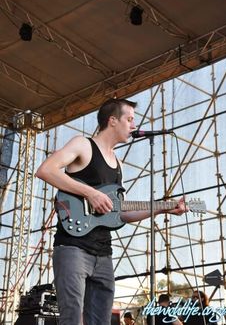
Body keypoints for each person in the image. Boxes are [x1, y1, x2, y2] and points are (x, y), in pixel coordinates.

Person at [36, 98, 187, 325]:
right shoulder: (83, 145)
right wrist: (90, 193)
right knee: (72, 319)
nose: (134, 125)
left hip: (104, 254)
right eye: (129, 119)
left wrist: (161, 208)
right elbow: (46, 170)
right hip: (73, 247)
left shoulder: (118, 164)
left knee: (101, 321)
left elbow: (121, 212)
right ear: (113, 120)